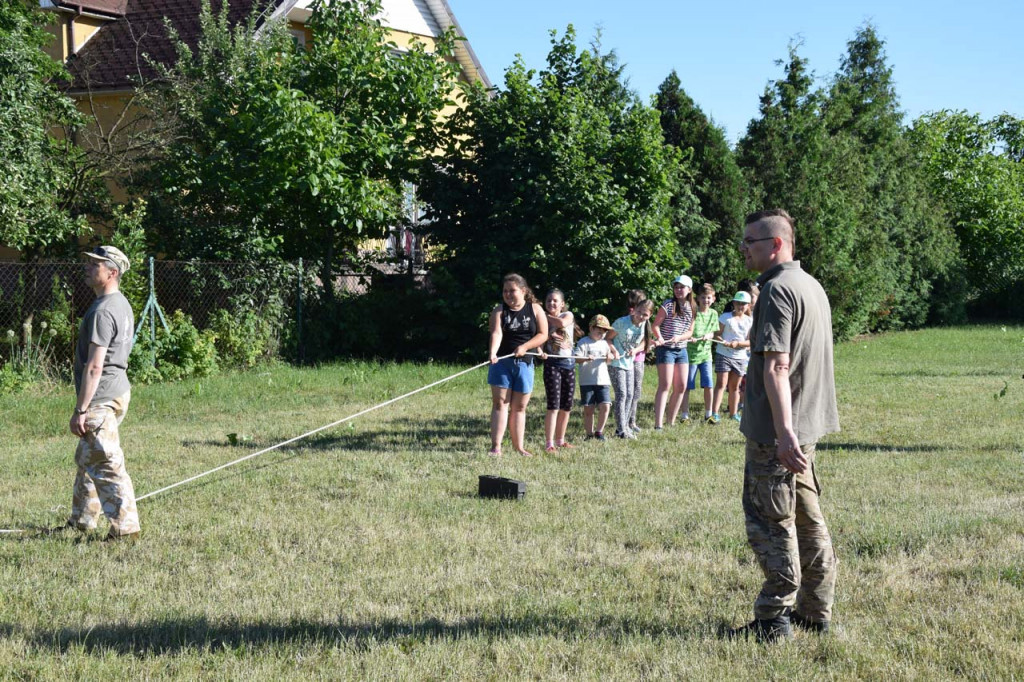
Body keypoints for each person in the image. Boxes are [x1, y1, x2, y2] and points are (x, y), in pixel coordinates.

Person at [730, 209, 840, 643]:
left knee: (770, 522)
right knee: (807, 518)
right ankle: (816, 611)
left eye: (751, 241)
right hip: (804, 426)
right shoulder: (810, 285)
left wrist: (783, 434)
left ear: (776, 244)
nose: (744, 249)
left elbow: (778, 367)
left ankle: (774, 619)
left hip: (778, 434)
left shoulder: (776, 290)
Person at [63, 246, 141, 541]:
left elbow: (95, 367)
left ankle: (125, 529)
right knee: (88, 459)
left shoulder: (103, 310)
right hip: (118, 390)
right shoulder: (121, 304)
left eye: (95, 264)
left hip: (100, 397)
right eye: (89, 262)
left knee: (107, 463)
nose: (88, 267)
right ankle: (82, 520)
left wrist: (82, 409)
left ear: (112, 272)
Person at [488, 274, 549, 457]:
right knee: (500, 403)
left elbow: (543, 334)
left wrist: (525, 347)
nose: (508, 294)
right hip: (502, 363)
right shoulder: (499, 310)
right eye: (505, 291)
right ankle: (496, 447)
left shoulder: (535, 309)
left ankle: (519, 447)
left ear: (523, 291)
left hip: (525, 363)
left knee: (519, 407)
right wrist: (493, 352)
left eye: (512, 290)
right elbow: (496, 333)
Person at [607, 298, 654, 439]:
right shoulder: (621, 322)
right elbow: (608, 339)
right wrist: (614, 351)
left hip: (629, 363)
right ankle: (622, 430)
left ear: (650, 315)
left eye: (645, 315)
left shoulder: (645, 324)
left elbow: (645, 341)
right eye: (639, 312)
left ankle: (624, 427)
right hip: (616, 364)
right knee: (622, 394)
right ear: (634, 309)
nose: (641, 317)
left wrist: (635, 350)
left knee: (630, 395)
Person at [652, 275, 694, 429]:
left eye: (682, 287)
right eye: (676, 287)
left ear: (689, 289)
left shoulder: (692, 307)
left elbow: (690, 331)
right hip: (666, 349)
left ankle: (671, 421)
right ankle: (658, 425)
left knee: (682, 386)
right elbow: (655, 325)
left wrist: (680, 337)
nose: (678, 290)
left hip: (681, 350)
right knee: (665, 385)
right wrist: (661, 338)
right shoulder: (668, 305)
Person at [539, 288, 577, 453]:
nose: (551, 303)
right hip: (552, 365)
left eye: (555, 301)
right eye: (548, 301)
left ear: (562, 304)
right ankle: (549, 443)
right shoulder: (543, 321)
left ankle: (561, 439)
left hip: (569, 365)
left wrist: (541, 314)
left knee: (566, 406)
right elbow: (539, 338)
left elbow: (562, 324)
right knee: (553, 405)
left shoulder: (567, 315)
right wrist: (540, 352)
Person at [574, 315, 618, 441]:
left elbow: (608, 361)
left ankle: (599, 431)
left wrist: (610, 357)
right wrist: (586, 358)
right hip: (587, 381)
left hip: (603, 381)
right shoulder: (583, 342)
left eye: (604, 331)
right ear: (591, 328)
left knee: (606, 406)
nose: (602, 333)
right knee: (589, 409)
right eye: (599, 331)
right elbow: (577, 359)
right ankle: (589, 433)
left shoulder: (605, 344)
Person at [711, 291, 753, 423]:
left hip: (740, 357)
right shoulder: (725, 317)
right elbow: (716, 334)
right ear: (733, 303)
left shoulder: (750, 321)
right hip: (724, 354)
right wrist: (724, 342)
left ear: (748, 306)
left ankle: (733, 413)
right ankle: (714, 413)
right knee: (721, 384)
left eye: (743, 304)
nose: (740, 306)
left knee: (735, 387)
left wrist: (738, 344)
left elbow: (750, 341)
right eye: (738, 303)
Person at [681, 283, 719, 424]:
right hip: (690, 357)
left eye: (708, 298)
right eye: (703, 297)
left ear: (713, 299)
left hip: (706, 356)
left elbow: (713, 331)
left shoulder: (714, 314)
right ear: (698, 298)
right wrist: (689, 337)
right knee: (687, 386)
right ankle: (684, 415)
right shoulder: (693, 311)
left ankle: (708, 414)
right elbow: (686, 330)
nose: (706, 300)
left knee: (709, 385)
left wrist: (709, 335)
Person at [625, 289, 653, 434]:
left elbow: (646, 339)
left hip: (639, 359)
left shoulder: (645, 319)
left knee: (636, 391)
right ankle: (625, 422)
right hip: (627, 360)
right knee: (629, 392)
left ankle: (632, 421)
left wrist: (647, 345)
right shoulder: (628, 319)